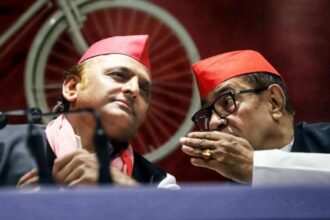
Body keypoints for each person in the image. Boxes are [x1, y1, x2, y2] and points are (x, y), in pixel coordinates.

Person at [1, 35, 178, 189]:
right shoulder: (4, 144)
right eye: (118, 75)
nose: (134, 89)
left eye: (144, 89)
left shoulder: (159, 185)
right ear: (72, 87)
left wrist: (126, 192)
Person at [180, 50, 330, 185]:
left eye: (226, 102)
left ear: (274, 102)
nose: (213, 123)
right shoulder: (231, 195)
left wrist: (257, 166)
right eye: (208, 113)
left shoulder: (326, 139)